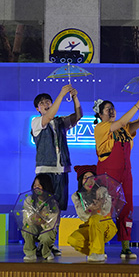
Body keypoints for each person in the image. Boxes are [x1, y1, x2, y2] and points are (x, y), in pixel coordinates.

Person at [93, 93, 139, 259]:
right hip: (108, 175)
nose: (112, 111)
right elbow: (122, 122)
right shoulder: (101, 127)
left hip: (126, 174)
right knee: (105, 209)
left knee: (127, 209)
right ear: (100, 114)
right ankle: (98, 247)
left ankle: (126, 247)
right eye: (107, 109)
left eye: (113, 108)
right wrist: (137, 104)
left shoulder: (124, 129)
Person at [31, 84, 83, 255]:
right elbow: (49, 116)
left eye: (48, 101)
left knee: (57, 208)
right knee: (43, 207)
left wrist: (75, 97)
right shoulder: (36, 122)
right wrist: (61, 94)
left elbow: (78, 116)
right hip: (45, 171)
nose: (46, 104)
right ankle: (40, 242)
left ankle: (51, 242)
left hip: (62, 170)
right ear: (38, 109)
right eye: (42, 103)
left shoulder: (60, 122)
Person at [67, 165, 117, 263]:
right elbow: (82, 215)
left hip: (105, 225)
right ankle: (95, 250)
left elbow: (107, 209)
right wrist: (89, 210)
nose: (89, 181)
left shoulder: (102, 191)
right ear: (80, 180)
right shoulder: (76, 196)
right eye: (85, 177)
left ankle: (98, 253)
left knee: (95, 218)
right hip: (89, 226)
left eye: (91, 178)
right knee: (73, 239)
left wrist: (100, 205)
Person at [21, 173, 60, 262]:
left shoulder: (53, 202)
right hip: (34, 226)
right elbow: (26, 218)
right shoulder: (29, 200)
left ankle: (46, 252)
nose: (36, 187)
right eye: (35, 185)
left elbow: (52, 222)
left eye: (39, 185)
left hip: (47, 228)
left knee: (46, 236)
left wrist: (42, 220)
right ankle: (30, 253)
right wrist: (33, 219)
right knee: (27, 229)